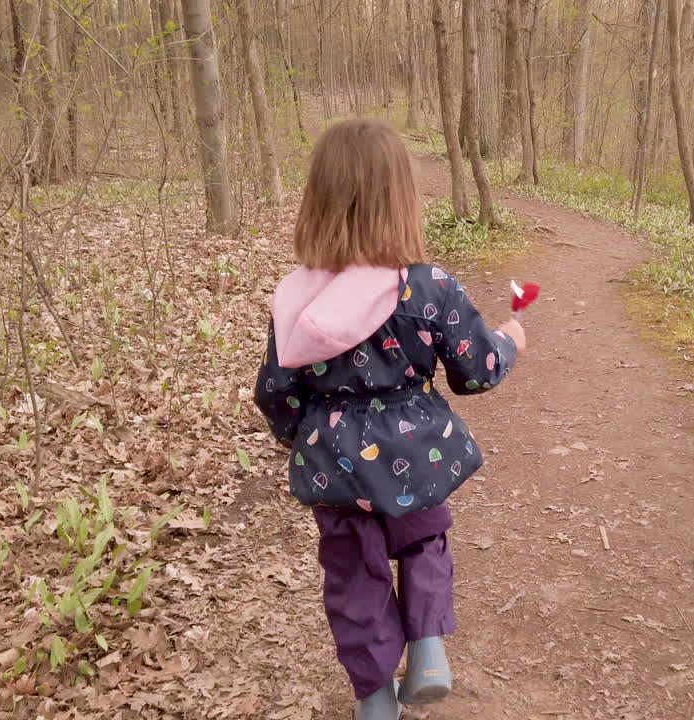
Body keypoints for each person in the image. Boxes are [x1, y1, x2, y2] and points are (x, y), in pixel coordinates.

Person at [253, 118, 526, 719]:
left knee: (354, 579)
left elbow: (277, 391)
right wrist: (509, 341)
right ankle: (428, 648)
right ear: (401, 199)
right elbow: (474, 368)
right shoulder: (426, 288)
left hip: (336, 469)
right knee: (425, 538)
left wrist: (301, 438)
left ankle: (376, 701)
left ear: (317, 202)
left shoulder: (296, 297)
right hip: (416, 454)